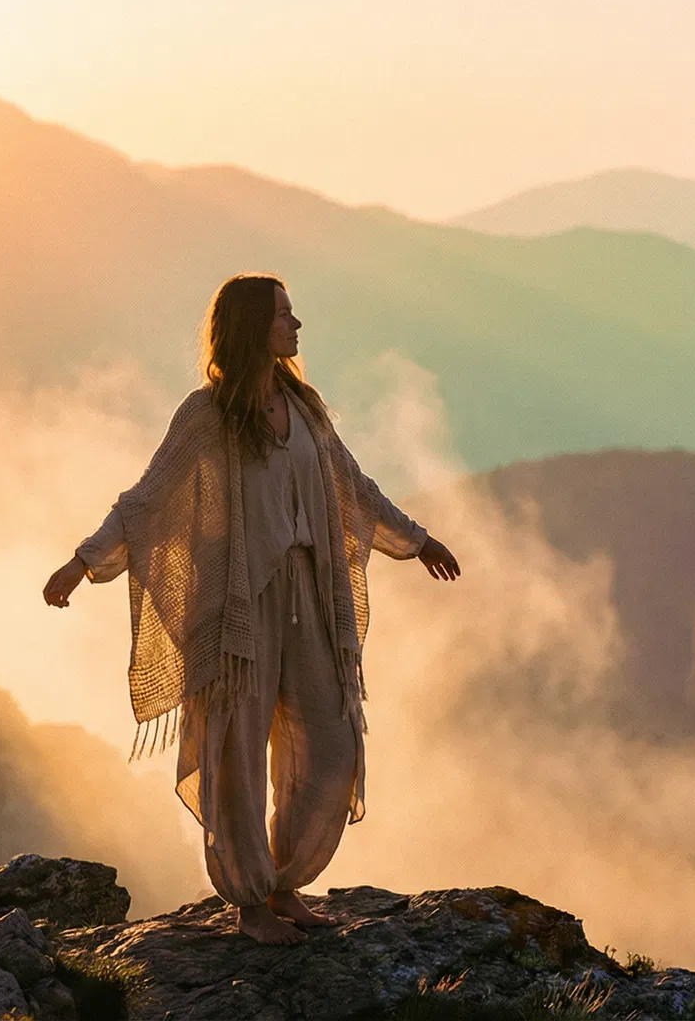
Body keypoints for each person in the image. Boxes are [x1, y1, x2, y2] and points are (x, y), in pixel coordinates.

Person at [41, 273, 461, 944]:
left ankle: (284, 879)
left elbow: (353, 485)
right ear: (251, 326)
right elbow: (147, 498)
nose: (296, 327)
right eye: (284, 315)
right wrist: (83, 561)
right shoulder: (207, 415)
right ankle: (250, 902)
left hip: (308, 596)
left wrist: (417, 539)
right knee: (237, 750)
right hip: (237, 608)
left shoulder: (306, 407)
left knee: (328, 739)